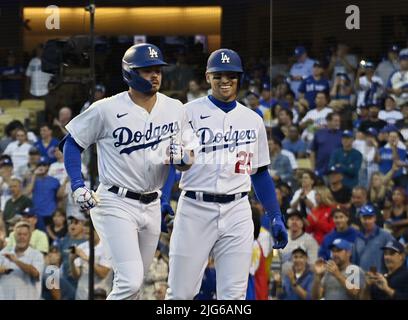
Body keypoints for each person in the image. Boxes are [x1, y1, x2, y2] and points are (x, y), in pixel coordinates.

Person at [61, 43, 197, 300]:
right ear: (130, 73)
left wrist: (182, 166)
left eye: (158, 69)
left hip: (152, 203)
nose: (155, 75)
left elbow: (184, 158)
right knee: (130, 282)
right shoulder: (106, 109)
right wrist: (78, 185)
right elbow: (71, 143)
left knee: (135, 285)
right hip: (115, 201)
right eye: (147, 70)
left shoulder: (175, 108)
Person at [165, 48, 288, 300]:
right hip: (194, 208)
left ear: (238, 78)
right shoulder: (186, 112)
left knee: (233, 295)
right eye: (219, 75)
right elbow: (170, 163)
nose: (225, 81)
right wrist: (163, 198)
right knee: (180, 293)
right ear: (208, 76)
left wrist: (275, 215)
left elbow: (261, 173)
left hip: (238, 209)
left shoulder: (252, 119)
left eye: (231, 76)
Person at [0, 221, 44, 299]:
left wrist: (16, 261)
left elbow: (35, 273)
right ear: (14, 236)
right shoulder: (3, 253)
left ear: (30, 236)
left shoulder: (37, 255)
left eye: (25, 234)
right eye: (19, 234)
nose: (22, 237)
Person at [69, 226, 112, 300]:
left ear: (98, 231)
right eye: (86, 233)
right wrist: (71, 261)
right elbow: (76, 276)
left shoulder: (106, 247)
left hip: (100, 294)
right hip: (82, 294)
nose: (87, 236)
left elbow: (103, 274)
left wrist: (86, 258)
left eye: (89, 233)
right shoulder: (81, 247)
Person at [352, 205, 395, 273]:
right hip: (363, 278)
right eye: (364, 218)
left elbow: (395, 255)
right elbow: (355, 260)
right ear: (360, 219)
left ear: (374, 218)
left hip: (380, 277)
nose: (367, 221)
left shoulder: (385, 235)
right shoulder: (357, 237)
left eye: (370, 218)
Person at [25, 157, 63, 231]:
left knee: (50, 239)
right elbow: (27, 192)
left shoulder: (54, 181)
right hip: (37, 214)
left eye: (44, 165)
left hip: (50, 213)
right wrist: (34, 175)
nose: (42, 167)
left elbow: (59, 198)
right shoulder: (33, 179)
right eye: (40, 165)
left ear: (48, 167)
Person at [309, 112, 342, 176]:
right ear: (328, 121)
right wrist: (312, 168)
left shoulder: (342, 135)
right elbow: (313, 151)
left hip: (336, 170)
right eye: (335, 121)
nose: (338, 123)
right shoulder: (319, 133)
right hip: (320, 168)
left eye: (339, 121)